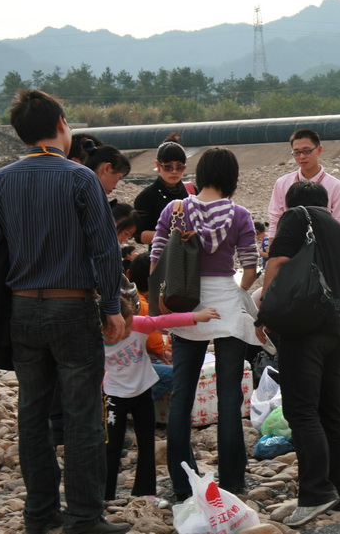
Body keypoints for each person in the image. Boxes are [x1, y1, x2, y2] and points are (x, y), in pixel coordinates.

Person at [0, 89, 128, 534]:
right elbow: (105, 250)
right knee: (80, 415)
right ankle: (84, 516)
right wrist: (113, 308)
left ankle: (40, 513)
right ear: (62, 123)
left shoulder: (2, 180)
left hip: (22, 311)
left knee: (32, 413)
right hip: (73, 309)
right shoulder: (80, 178)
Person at [151, 147, 260, 500]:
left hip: (186, 305)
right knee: (230, 395)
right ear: (231, 178)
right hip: (226, 308)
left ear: (199, 175)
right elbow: (250, 267)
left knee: (182, 393)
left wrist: (162, 310)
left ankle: (183, 482)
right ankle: (233, 479)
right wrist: (234, 293)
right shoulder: (240, 215)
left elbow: (155, 262)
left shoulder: (175, 209)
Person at [256, 181, 340, 527]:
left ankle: (315, 492)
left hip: (305, 328)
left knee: (301, 411)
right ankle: (339, 490)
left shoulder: (296, 217)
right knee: (330, 411)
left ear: (291, 205)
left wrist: (265, 314)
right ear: (327, 204)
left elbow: (276, 264)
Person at [100, 295, 220, 502]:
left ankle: (145, 492)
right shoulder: (92, 337)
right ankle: (105, 495)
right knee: (111, 446)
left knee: (147, 443)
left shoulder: (139, 325)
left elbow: (162, 321)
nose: (125, 331)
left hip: (143, 391)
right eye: (117, 328)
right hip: (113, 396)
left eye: (128, 326)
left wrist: (197, 316)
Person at [267, 129, 340, 239]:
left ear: (319, 150)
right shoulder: (282, 183)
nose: (301, 157)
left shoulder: (336, 186)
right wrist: (273, 250)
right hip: (290, 247)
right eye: (296, 152)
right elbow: (275, 218)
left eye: (307, 151)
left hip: (323, 246)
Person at [127, 252, 174, 401]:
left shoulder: (122, 300)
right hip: (136, 364)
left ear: (128, 274)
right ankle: (136, 403)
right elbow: (156, 347)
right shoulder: (144, 307)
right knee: (173, 373)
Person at [134, 134, 191, 247]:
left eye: (179, 167)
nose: (174, 172)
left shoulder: (191, 191)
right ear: (158, 165)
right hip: (161, 258)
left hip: (190, 258)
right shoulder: (146, 197)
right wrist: (173, 237)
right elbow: (139, 235)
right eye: (168, 167)